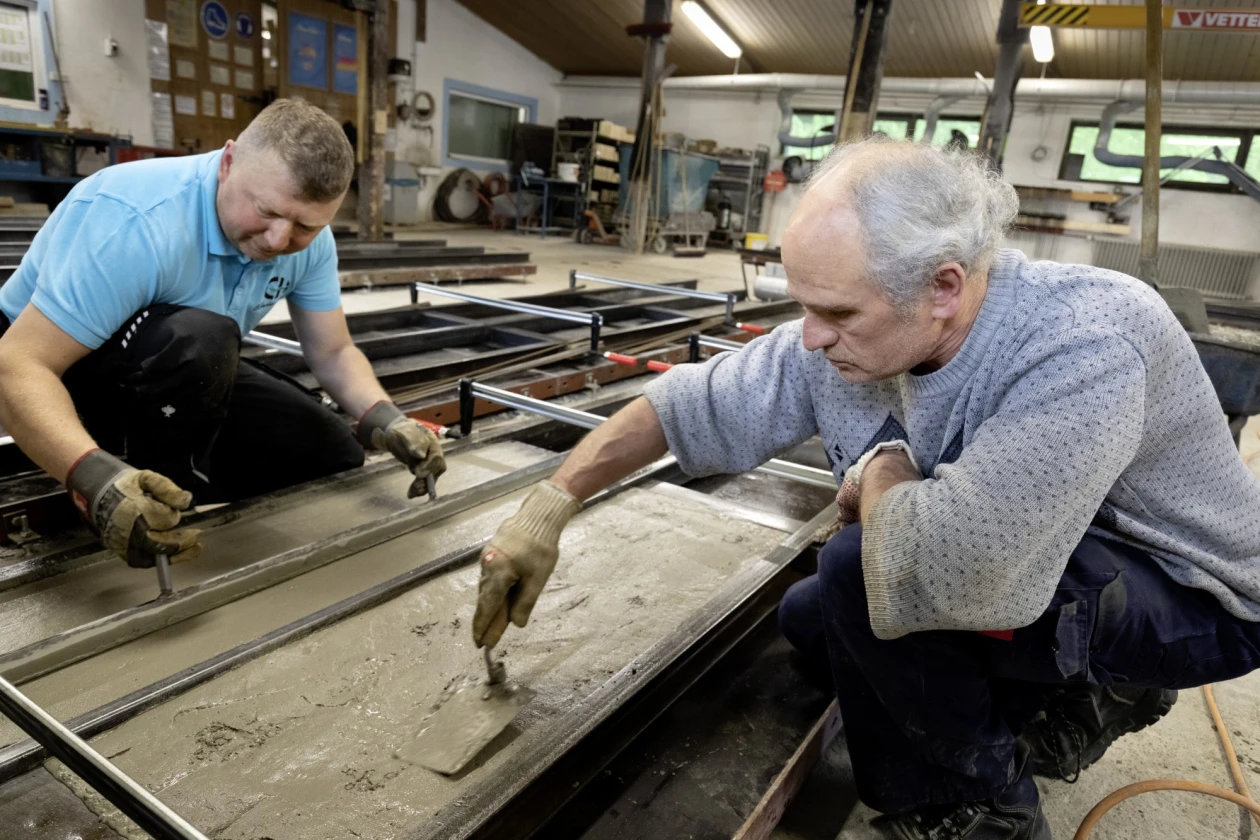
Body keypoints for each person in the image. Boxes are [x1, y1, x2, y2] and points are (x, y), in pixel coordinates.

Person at [467, 138, 1260, 839]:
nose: (811, 337)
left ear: (943, 287)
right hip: (1061, 563)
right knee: (815, 620)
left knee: (861, 573)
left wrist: (882, 472)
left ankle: (979, 807)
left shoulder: (1082, 341)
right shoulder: (855, 329)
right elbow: (692, 402)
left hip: (1195, 595)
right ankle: (1065, 700)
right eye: (805, 306)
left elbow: (958, 573)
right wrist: (552, 504)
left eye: (836, 312)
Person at [0, 99, 444, 570]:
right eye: (267, 211)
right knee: (203, 339)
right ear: (228, 162)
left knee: (332, 450)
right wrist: (90, 476)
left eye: (304, 226)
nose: (278, 241)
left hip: (171, 364)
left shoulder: (309, 242)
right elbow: (19, 363)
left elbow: (333, 351)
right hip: (57, 368)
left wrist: (386, 419)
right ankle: (125, 486)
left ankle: (169, 487)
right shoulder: (139, 219)